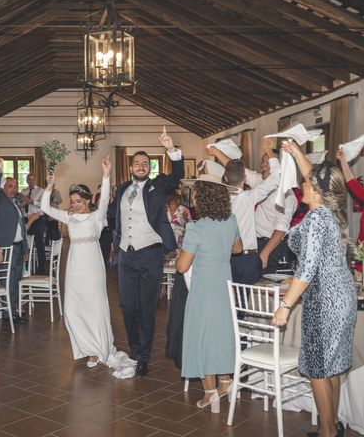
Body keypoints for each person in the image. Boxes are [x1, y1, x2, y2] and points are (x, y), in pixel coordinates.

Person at [273, 141, 356, 437]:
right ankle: (332, 426)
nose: (301, 185)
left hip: (325, 299)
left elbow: (307, 268)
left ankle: (327, 433)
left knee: (320, 368)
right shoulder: (331, 210)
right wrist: (296, 153)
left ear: (317, 191)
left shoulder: (318, 218)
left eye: (306, 183)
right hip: (341, 294)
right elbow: (318, 177)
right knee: (331, 367)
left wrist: (285, 306)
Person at [112, 126, 184, 377]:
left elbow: (178, 176)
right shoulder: (121, 190)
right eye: (137, 163)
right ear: (130, 167)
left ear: (150, 167)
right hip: (126, 255)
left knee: (146, 307)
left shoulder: (159, 186)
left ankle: (142, 356)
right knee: (127, 306)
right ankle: (134, 349)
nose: (141, 166)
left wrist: (171, 149)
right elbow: (115, 219)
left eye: (145, 163)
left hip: (150, 254)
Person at [41, 156, 124, 368]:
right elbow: (46, 208)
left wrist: (106, 175)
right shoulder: (69, 217)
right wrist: (49, 187)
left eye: (79, 201)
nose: (75, 205)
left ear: (87, 200)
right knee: (72, 309)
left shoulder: (97, 217)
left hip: (93, 268)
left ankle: (96, 351)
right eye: (73, 201)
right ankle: (85, 347)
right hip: (74, 267)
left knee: (94, 307)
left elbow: (105, 199)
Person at [176, 175, 242, 413]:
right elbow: (238, 249)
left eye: (194, 192)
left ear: (202, 197)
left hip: (204, 290)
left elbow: (182, 266)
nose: (192, 196)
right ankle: (225, 383)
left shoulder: (196, 227)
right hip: (225, 287)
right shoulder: (231, 220)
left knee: (201, 337)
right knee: (221, 335)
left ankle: (210, 393)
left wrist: (181, 255)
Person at [210, 139, 280, 285]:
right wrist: (269, 151)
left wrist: (216, 152)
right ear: (244, 178)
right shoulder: (248, 197)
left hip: (225, 257)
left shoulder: (219, 200)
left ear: (227, 178)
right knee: (244, 300)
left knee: (230, 299)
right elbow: (276, 178)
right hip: (247, 259)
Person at [0, 158, 29, 323]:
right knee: (8, 280)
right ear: (3, 188)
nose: (13, 189)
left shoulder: (15, 203)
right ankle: (8, 313)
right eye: (10, 186)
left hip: (18, 247)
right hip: (6, 246)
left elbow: (21, 227)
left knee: (15, 280)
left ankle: (12, 310)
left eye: (15, 187)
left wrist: (25, 248)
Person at [21, 173, 47, 274]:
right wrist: (23, 202)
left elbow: (45, 206)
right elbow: (20, 206)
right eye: (29, 180)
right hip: (26, 218)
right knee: (23, 240)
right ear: (27, 181)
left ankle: (41, 268)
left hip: (38, 219)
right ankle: (25, 267)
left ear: (36, 180)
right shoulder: (23, 191)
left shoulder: (41, 191)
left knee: (39, 242)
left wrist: (33, 202)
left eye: (33, 179)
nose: (31, 181)